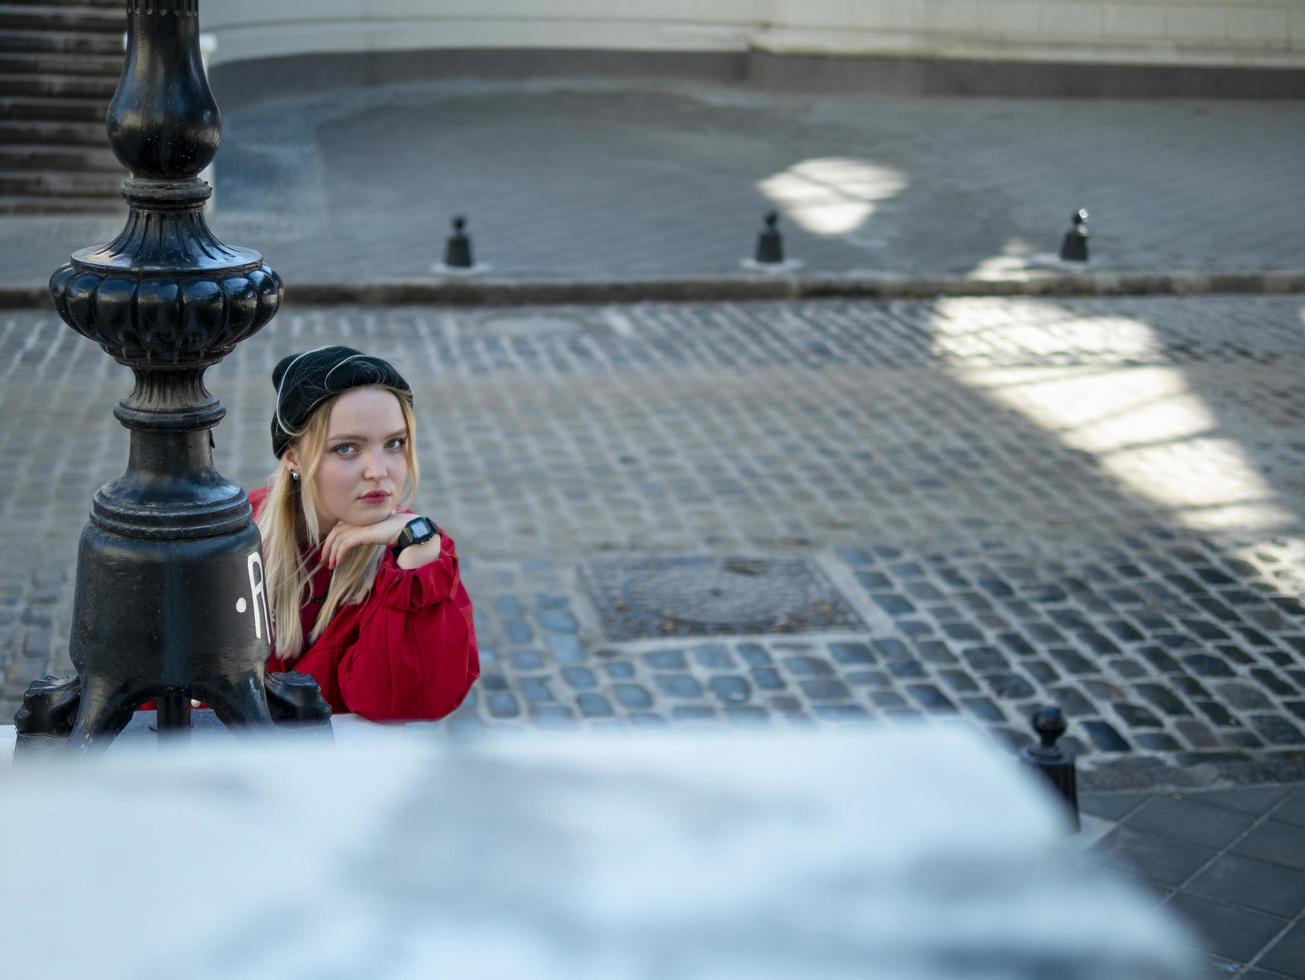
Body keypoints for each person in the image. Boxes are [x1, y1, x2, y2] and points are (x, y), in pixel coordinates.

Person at [251, 345, 479, 722]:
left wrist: (417, 554)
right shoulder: (234, 542)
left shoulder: (416, 559)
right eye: (346, 448)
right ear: (293, 458)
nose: (378, 470)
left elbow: (406, 704)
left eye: (394, 443)